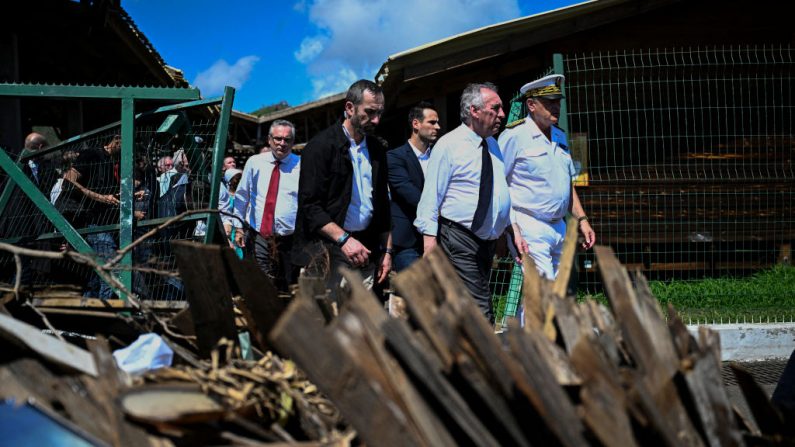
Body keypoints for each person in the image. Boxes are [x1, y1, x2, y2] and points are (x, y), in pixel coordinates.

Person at [415, 82, 526, 323]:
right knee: (480, 307)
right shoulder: (449, 145)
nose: (502, 114)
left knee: (465, 305)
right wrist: (429, 242)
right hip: (459, 238)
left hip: (485, 242)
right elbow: (431, 197)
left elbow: (500, 191)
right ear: (474, 111)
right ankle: (485, 356)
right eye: (495, 108)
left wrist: (511, 229)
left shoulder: (493, 145)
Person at [293, 80, 392, 301]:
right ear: (349, 108)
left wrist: (387, 251)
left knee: (361, 326)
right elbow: (310, 206)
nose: (376, 120)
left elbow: (383, 206)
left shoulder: (377, 150)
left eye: (379, 113)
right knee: (328, 323)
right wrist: (344, 240)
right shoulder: (320, 147)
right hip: (327, 252)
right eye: (370, 112)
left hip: (366, 252)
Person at [498, 74, 595, 280]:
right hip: (529, 223)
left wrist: (582, 219)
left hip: (558, 226)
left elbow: (566, 185)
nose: (556, 107)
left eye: (557, 102)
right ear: (531, 105)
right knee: (544, 291)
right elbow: (499, 183)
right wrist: (510, 228)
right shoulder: (514, 136)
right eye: (549, 102)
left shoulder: (559, 135)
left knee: (555, 293)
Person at [232, 120, 300, 291]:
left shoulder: (302, 165)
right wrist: (238, 227)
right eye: (278, 138)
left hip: (289, 239)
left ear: (293, 141)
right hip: (259, 235)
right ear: (270, 139)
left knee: (288, 285)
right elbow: (242, 197)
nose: (282, 143)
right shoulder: (254, 162)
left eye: (287, 139)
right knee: (262, 283)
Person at [63, 135, 122, 299]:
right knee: (111, 269)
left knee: (97, 275)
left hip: (105, 223)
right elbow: (68, 180)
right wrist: (100, 197)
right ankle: (106, 315)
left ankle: (89, 313)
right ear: (117, 139)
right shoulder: (91, 154)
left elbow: (105, 192)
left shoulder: (113, 162)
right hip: (92, 222)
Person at [387, 102, 441, 271]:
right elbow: (411, 195)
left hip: (440, 237)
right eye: (432, 122)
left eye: (438, 122)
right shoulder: (394, 157)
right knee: (420, 292)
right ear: (416, 124)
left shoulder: (442, 157)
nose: (438, 127)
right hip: (407, 242)